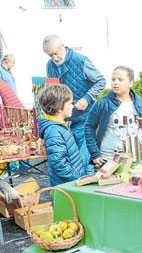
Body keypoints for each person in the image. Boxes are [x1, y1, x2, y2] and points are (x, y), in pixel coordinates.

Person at [43, 35, 106, 173]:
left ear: (63, 46)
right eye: (50, 55)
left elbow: (101, 81)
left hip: (83, 117)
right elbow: (53, 89)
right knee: (68, 161)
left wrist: (87, 98)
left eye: (56, 53)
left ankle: (86, 188)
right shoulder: (50, 65)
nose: (54, 58)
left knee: (83, 160)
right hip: (63, 120)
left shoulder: (81, 60)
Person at [84, 66, 142, 167]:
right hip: (107, 158)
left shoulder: (140, 103)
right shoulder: (103, 103)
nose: (115, 82)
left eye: (120, 79)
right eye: (113, 79)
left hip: (134, 158)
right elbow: (89, 126)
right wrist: (95, 154)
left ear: (131, 83)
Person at [37, 84, 89, 186]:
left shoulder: (58, 127)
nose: (73, 106)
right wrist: (77, 178)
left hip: (69, 184)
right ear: (59, 107)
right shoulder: (54, 131)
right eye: (69, 103)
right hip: (67, 186)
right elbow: (59, 165)